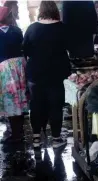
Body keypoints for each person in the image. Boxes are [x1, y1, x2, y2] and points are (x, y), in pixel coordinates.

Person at [23, 1, 71, 149]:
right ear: (55, 10)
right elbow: (70, 48)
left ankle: (37, 138)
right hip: (57, 75)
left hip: (35, 74)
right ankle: (56, 139)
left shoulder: (32, 28)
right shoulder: (63, 28)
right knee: (55, 106)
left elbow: (25, 50)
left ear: (41, 11)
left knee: (36, 105)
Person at [0, 6, 28, 143]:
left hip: (5, 69)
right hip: (20, 66)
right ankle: (20, 130)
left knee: (10, 100)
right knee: (21, 98)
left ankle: (15, 132)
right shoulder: (16, 31)